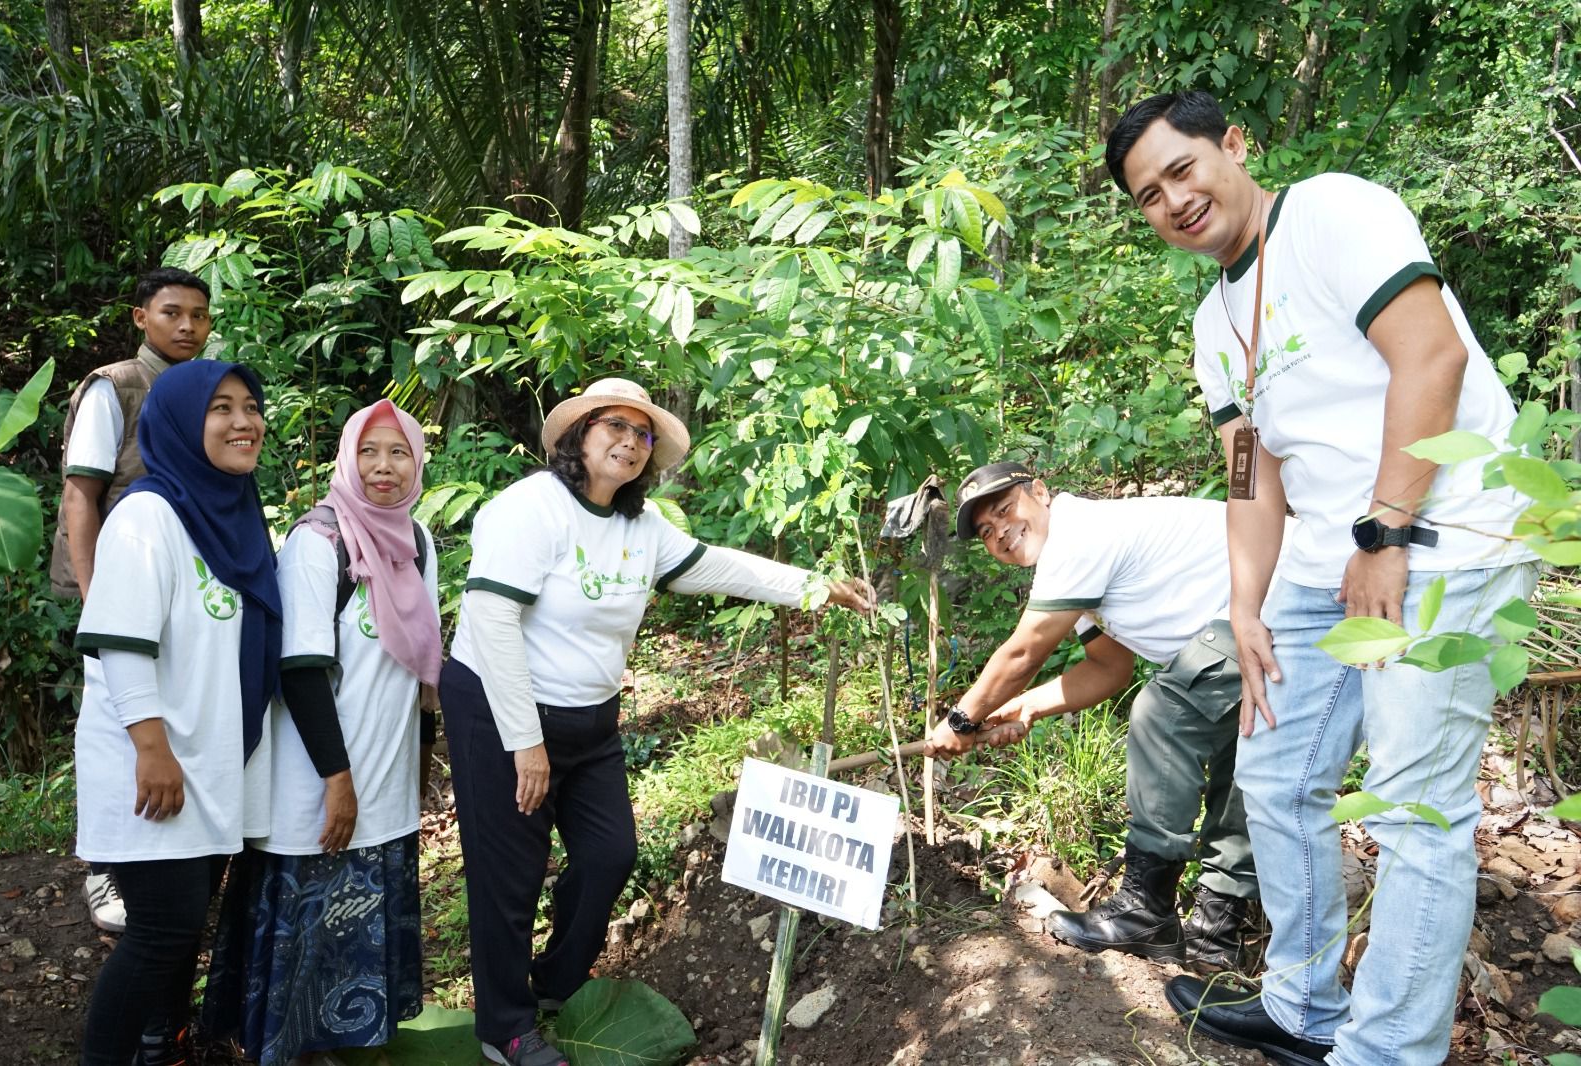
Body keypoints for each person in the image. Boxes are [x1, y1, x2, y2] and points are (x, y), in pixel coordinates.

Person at [1106, 90, 1538, 1066]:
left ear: (1233, 146)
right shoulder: (1214, 321)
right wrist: (1242, 607)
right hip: (1325, 555)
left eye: (1182, 169)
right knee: (1274, 768)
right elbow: (1248, 475)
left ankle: (1387, 1051)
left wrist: (1385, 532)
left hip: (1449, 526)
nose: (1172, 199)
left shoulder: (1333, 212)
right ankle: (1304, 1004)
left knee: (1411, 802)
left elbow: (1430, 355)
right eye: (1148, 194)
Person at [441, 378, 873, 1066]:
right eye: (615, 425)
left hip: (589, 719)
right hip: (499, 710)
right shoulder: (531, 509)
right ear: (577, 436)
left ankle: (554, 984)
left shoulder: (642, 529)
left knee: (611, 854)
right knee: (509, 874)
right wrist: (524, 744)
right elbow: (492, 619)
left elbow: (718, 566)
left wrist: (815, 589)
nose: (630, 442)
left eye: (643, 435)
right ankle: (504, 1028)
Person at [926, 461, 1274, 972]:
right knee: (1239, 762)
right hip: (1254, 618)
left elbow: (1024, 653)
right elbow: (1109, 668)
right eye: (986, 531)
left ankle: (1145, 910)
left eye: (1005, 509)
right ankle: (1217, 938)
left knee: (1163, 714)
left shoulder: (1078, 535)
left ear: (1040, 492)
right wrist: (1026, 706)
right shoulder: (1073, 565)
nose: (1000, 530)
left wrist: (959, 722)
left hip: (1268, 604)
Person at [202, 400, 440, 1064]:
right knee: (308, 926)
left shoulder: (416, 542)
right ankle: (287, 1046)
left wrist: (421, 762)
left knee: (361, 923)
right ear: (346, 457)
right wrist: (337, 781)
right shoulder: (318, 542)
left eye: (398, 452)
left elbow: (423, 671)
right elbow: (301, 672)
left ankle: (341, 1042)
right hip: (320, 779)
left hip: (386, 780)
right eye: (369, 451)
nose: (384, 467)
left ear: (417, 461)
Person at [73, 360, 281, 1066]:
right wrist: (151, 748)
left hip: (213, 756)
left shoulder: (237, 511)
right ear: (179, 423)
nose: (243, 422)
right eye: (220, 408)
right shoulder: (146, 514)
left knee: (184, 926)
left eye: (251, 407)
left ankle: (161, 1045)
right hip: (153, 757)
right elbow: (119, 645)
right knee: (161, 929)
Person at [53, 266, 213, 934]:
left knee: (169, 720)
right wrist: (98, 603)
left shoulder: (208, 390)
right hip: (120, 588)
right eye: (172, 312)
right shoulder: (116, 387)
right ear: (140, 317)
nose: (187, 326)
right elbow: (81, 494)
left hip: (185, 592)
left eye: (199, 315)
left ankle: (163, 855)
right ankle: (102, 867)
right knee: (113, 727)